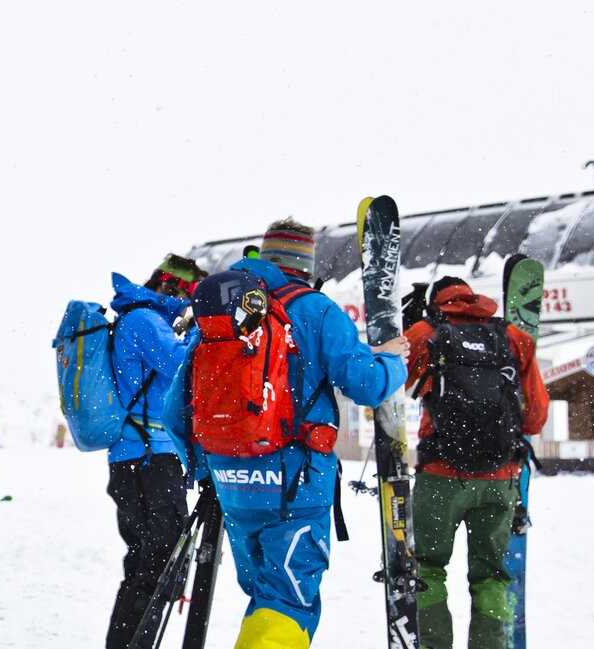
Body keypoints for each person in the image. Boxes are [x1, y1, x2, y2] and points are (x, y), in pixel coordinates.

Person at [165, 218, 407, 648]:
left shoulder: (222, 310)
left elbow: (174, 410)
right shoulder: (316, 309)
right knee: (286, 600)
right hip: (296, 481)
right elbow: (365, 383)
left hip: (230, 479)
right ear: (306, 263)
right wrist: (393, 361)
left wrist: (206, 468)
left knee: (263, 594)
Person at [402, 277, 549, 649]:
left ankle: (434, 645)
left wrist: (406, 330)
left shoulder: (427, 332)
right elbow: (535, 416)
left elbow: (387, 385)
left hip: (441, 476)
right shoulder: (513, 337)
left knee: (428, 569)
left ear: (436, 302)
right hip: (499, 477)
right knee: (490, 576)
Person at [100, 255, 205, 649]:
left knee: (149, 563)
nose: (190, 302)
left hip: (140, 457)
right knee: (159, 563)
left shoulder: (141, 317)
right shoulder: (145, 320)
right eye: (189, 292)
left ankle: (128, 643)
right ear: (170, 286)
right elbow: (184, 366)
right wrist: (199, 333)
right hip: (147, 458)